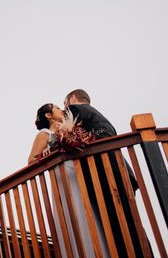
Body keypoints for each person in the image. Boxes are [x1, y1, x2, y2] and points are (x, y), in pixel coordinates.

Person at [65, 89, 147, 256]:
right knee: (131, 222)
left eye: (65, 104)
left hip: (104, 170)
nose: (65, 109)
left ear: (72, 99)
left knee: (116, 224)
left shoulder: (77, 110)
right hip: (119, 168)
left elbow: (68, 137)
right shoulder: (99, 117)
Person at [29, 102, 108, 257]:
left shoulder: (69, 129)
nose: (62, 109)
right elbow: (31, 160)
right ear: (48, 115)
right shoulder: (45, 134)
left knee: (90, 212)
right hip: (63, 178)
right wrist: (46, 154)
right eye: (57, 108)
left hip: (79, 175)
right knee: (73, 214)